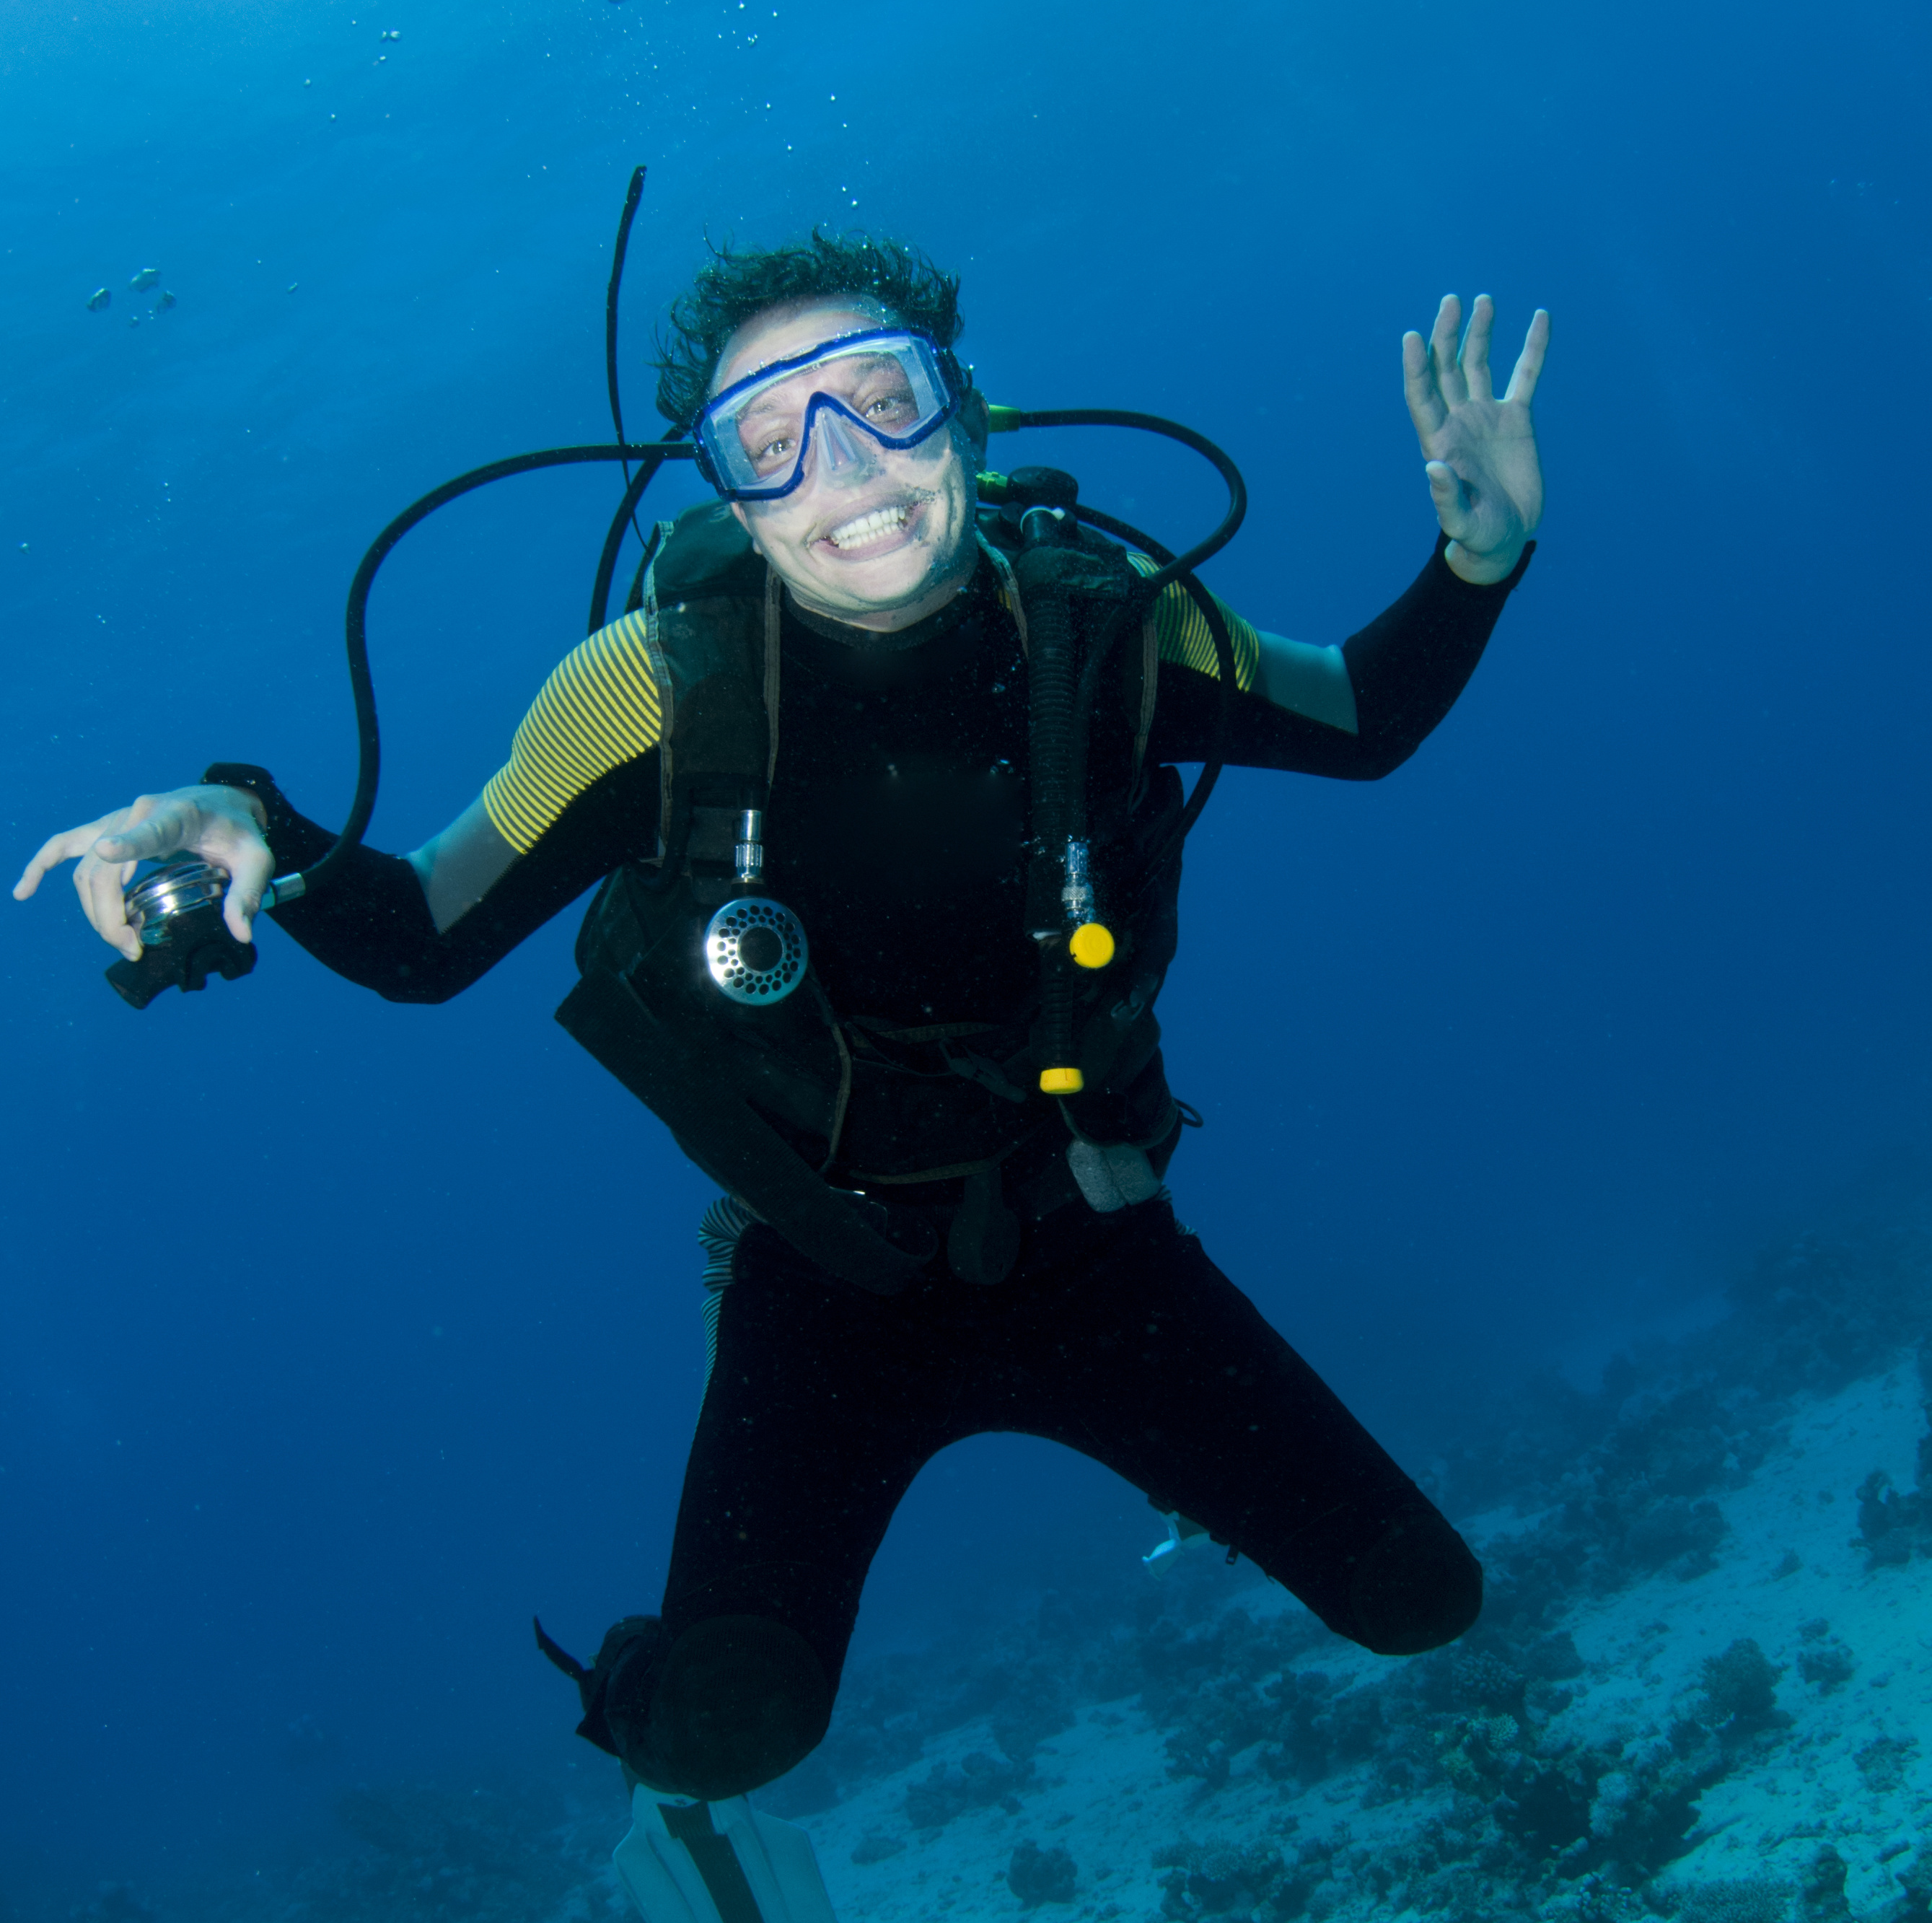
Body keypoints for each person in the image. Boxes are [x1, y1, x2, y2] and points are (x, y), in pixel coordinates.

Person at [16, 237, 1547, 1821]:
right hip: (828, 1276)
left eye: (883, 398)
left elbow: (1360, 721)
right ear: (731, 493)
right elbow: (422, 939)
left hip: (1096, 1235)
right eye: (770, 436)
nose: (845, 466)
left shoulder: (1107, 625)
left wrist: (1479, 554)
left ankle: (1184, 1471)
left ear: (965, 416)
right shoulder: (649, 691)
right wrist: (254, 820)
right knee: (721, 1732)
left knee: (1419, 1597)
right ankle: (638, 1686)